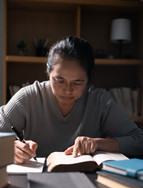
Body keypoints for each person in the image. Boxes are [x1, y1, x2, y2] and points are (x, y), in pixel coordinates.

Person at [0, 35, 143, 164]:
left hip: (86, 180)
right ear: (49, 72)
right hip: (36, 179)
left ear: (88, 79)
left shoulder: (99, 101)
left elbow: (139, 141)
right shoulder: (28, 97)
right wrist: (10, 148)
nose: (67, 90)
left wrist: (97, 143)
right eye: (59, 80)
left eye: (77, 82)